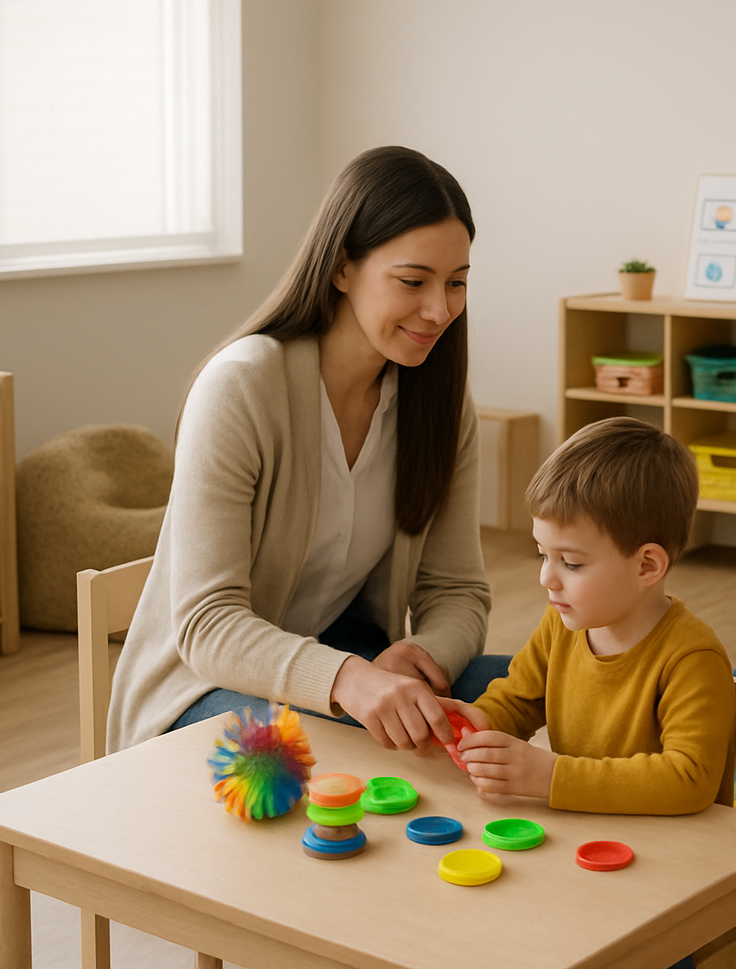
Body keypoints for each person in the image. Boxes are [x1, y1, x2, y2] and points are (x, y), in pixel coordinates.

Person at [108, 146, 507, 754]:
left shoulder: (441, 405)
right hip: (203, 687)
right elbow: (206, 624)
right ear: (343, 268)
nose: (440, 310)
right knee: (352, 745)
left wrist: (420, 657)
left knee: (534, 688)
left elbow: (456, 590)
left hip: (347, 658)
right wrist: (350, 679)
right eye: (412, 281)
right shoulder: (241, 387)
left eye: (456, 284)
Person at [443, 417, 736, 815]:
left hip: (668, 852)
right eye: (543, 554)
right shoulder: (562, 625)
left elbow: (689, 780)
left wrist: (551, 777)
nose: (547, 577)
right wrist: (472, 728)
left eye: (571, 563)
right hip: (582, 833)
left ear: (647, 565)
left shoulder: (692, 657)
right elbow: (516, 701)